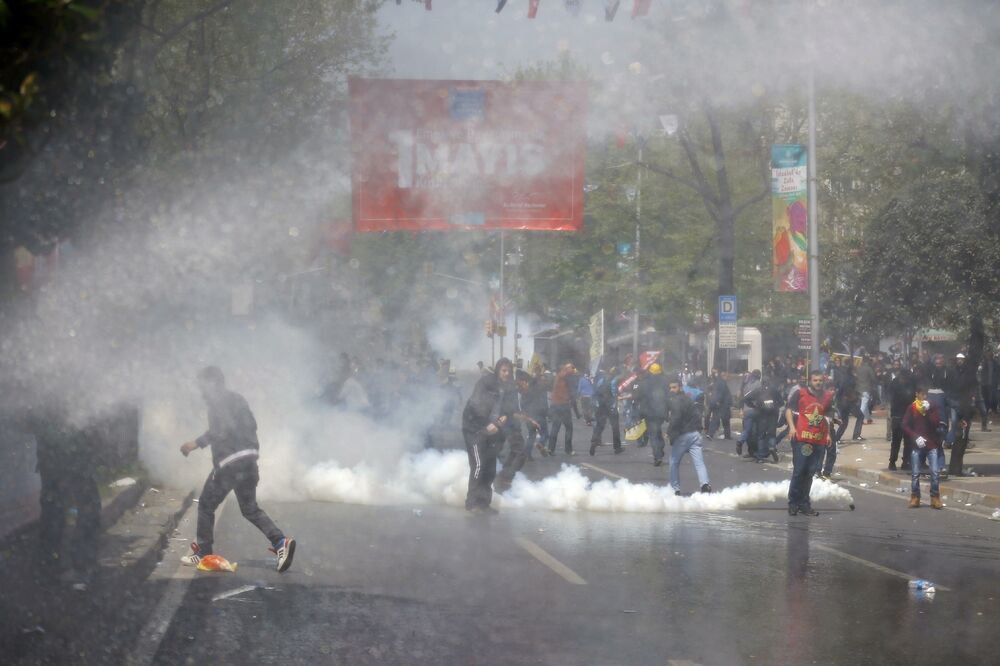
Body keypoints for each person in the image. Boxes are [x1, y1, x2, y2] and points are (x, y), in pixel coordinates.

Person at [179, 367, 296, 572]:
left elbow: (221, 428)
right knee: (250, 509)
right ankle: (280, 542)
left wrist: (195, 443)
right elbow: (252, 425)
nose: (201, 392)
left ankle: (203, 554)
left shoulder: (218, 402)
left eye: (202, 386)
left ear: (212, 384)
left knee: (206, 504)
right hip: (249, 460)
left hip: (230, 463)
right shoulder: (239, 400)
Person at [25, 395, 102, 588]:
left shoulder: (48, 390)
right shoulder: (60, 392)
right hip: (66, 462)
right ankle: (76, 565)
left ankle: (56, 566)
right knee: (76, 512)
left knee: (57, 513)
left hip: (61, 461)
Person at [462, 358, 515, 512]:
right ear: (498, 370)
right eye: (504, 370)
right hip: (475, 429)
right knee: (478, 465)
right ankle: (471, 502)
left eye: (509, 371)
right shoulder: (486, 383)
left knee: (490, 467)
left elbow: (510, 408)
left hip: (494, 432)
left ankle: (484, 503)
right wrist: (486, 425)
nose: (507, 374)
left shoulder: (509, 387)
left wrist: (506, 415)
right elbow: (475, 406)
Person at [785, 370, 835, 517]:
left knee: (809, 474)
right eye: (815, 380)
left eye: (820, 380)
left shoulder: (827, 397)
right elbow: (788, 410)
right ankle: (793, 503)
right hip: (802, 439)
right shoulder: (800, 393)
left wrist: (829, 435)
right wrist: (792, 428)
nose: (818, 383)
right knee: (799, 471)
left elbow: (828, 417)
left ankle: (804, 504)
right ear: (810, 381)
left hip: (819, 440)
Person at [493, 370, 541, 493]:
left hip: (510, 426)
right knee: (520, 453)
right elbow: (512, 413)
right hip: (506, 425)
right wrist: (530, 420)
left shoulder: (516, 392)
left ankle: (503, 478)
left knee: (514, 452)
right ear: (521, 381)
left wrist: (530, 419)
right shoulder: (512, 392)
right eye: (526, 383)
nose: (527, 386)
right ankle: (504, 477)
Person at [665, 377, 712, 496]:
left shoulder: (676, 401)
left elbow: (675, 418)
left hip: (684, 436)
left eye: (674, 387)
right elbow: (696, 415)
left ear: (680, 387)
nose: (671, 390)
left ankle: (675, 489)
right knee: (699, 462)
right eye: (670, 387)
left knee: (674, 462)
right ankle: (705, 485)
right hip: (695, 435)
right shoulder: (688, 399)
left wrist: (669, 432)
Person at [902, 387, 944, 509]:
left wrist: (929, 411)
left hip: (932, 444)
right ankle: (915, 497)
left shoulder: (933, 406)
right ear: (917, 394)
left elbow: (937, 423)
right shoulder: (912, 408)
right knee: (915, 473)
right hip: (918, 444)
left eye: (926, 394)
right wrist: (915, 437)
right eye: (921, 394)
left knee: (935, 472)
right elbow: (905, 425)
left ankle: (935, 497)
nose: (924, 397)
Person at [638, 362, 670, 466]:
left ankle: (657, 456)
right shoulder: (664, 382)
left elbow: (641, 398)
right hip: (660, 412)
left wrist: (641, 412)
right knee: (657, 431)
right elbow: (667, 398)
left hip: (649, 412)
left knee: (653, 435)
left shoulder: (644, 382)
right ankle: (660, 449)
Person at [887, 362, 916, 471]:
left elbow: (913, 397)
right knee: (896, 441)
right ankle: (892, 462)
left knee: (908, 441)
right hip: (897, 416)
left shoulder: (910, 383)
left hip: (908, 416)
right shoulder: (894, 384)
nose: (905, 379)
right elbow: (891, 398)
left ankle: (905, 462)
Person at [590, 366, 623, 455]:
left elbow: (596, 391)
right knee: (615, 427)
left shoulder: (602, 379)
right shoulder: (614, 380)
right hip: (610, 406)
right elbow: (614, 393)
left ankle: (594, 441)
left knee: (600, 425)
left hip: (601, 405)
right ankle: (617, 447)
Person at [547, 362, 577, 455]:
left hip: (556, 406)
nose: (567, 371)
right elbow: (565, 393)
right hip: (563, 406)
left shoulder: (558, 378)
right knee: (569, 428)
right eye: (564, 370)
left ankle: (550, 449)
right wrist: (568, 399)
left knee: (555, 428)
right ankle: (568, 449)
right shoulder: (563, 378)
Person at [704, 367, 732, 440]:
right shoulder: (722, 383)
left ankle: (711, 433)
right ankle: (727, 435)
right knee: (725, 420)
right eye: (726, 376)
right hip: (722, 404)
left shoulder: (718, 382)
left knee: (715, 419)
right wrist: (718, 401)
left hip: (717, 403)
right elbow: (720, 394)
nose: (727, 377)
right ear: (723, 376)